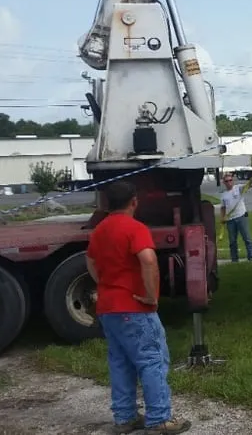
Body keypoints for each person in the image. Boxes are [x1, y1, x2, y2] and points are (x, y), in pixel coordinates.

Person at [85, 180, 191, 435]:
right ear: (134, 201)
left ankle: (125, 418)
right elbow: (148, 259)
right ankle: (159, 419)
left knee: (120, 361)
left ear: (108, 203)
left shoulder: (99, 230)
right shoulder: (135, 228)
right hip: (133, 307)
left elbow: (89, 260)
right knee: (152, 359)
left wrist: (105, 283)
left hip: (108, 307)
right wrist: (150, 295)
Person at [219, 173, 252, 262]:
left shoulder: (238, 188)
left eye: (230, 180)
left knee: (247, 238)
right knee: (232, 241)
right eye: (226, 181)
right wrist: (223, 217)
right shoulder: (223, 195)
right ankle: (234, 259)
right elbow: (223, 207)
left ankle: (251, 257)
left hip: (241, 216)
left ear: (233, 181)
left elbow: (248, 185)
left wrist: (251, 180)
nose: (229, 182)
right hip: (230, 220)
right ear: (224, 182)